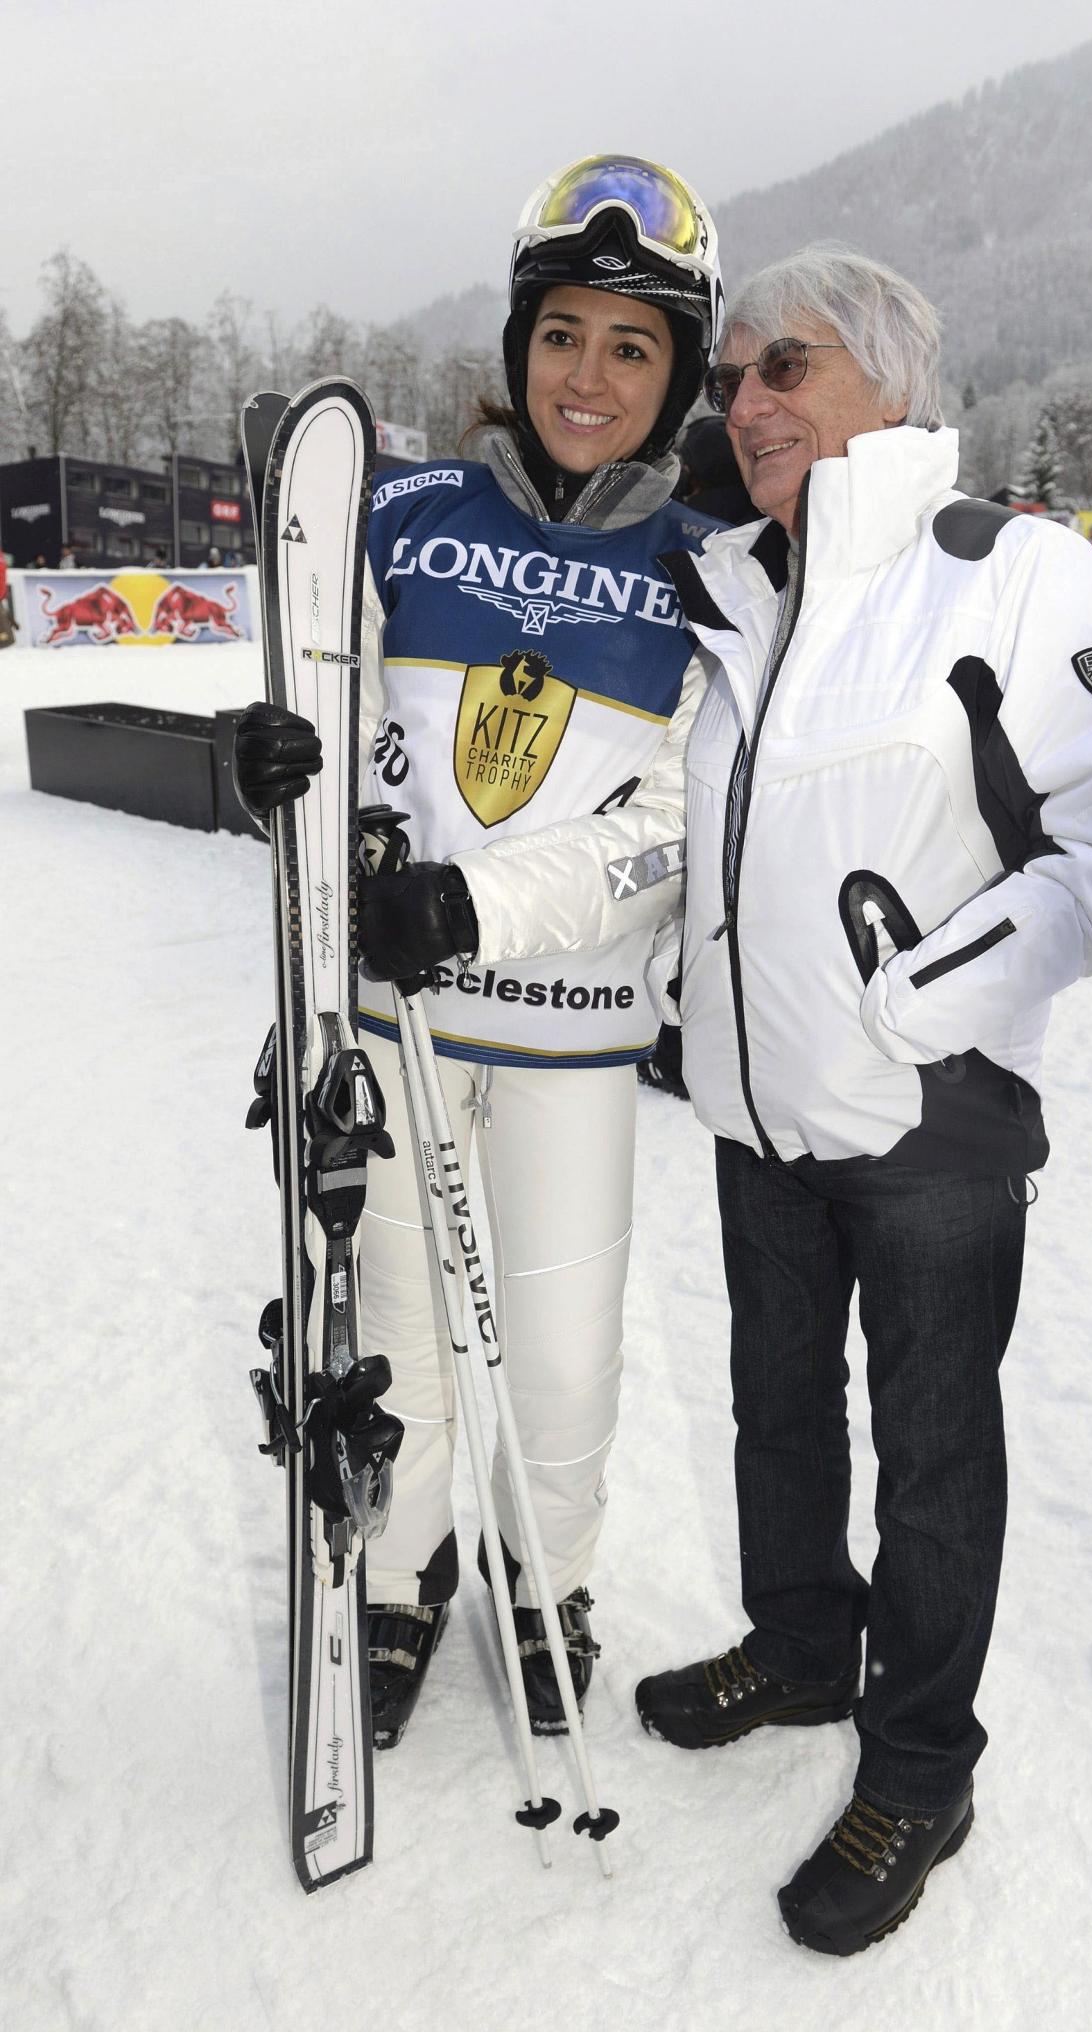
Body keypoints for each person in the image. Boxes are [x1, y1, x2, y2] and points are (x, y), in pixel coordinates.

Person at [355, 242, 1092, 1952]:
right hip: (752, 1109)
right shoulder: (740, 582)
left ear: (891, 384)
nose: (746, 405)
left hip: (929, 1123)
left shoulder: (1016, 578)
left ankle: (922, 1765)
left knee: (938, 1458)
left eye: (784, 370)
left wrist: (924, 1001)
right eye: (733, 376)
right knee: (780, 1418)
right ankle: (807, 1648)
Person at [233, 155, 723, 1747]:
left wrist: (482, 905)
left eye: (633, 348)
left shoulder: (713, 569)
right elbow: (323, 707)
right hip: (395, 1028)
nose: (590, 376)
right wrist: (262, 771)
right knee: (402, 1337)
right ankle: (401, 1576)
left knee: (565, 1362)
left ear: (676, 378)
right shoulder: (397, 512)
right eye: (565, 333)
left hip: (571, 1030)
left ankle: (546, 1575)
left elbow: (673, 825)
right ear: (519, 347)